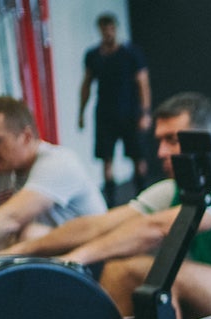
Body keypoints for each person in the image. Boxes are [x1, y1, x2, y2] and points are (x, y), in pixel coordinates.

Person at [3, 92, 211, 319]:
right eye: (159, 141)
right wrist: (20, 251)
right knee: (128, 266)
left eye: (172, 140)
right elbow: (99, 225)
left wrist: (74, 259)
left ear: (205, 141)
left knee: (132, 269)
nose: (160, 153)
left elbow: (157, 228)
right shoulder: (176, 189)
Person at [0, 97, 107, 267]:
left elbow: (12, 218)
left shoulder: (59, 163)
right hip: (37, 252)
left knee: (30, 233)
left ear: (27, 137)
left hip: (89, 260)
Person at [79, 12, 152, 198]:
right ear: (100, 30)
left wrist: (145, 113)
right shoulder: (93, 56)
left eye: (111, 28)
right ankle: (110, 201)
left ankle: (142, 196)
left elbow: (143, 84)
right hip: (105, 114)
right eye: (104, 29)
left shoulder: (131, 53)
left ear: (116, 28)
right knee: (106, 159)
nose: (108, 32)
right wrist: (81, 113)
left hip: (130, 113)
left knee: (138, 157)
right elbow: (86, 84)